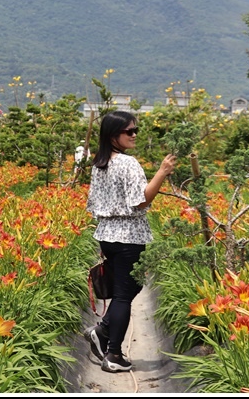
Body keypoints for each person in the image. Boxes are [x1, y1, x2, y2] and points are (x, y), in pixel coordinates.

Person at [83, 110, 176, 373]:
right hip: (128, 237)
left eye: (136, 130)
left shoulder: (100, 163)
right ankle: (113, 355)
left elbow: (96, 203)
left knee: (131, 286)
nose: (134, 135)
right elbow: (141, 200)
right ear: (113, 135)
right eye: (129, 131)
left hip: (107, 235)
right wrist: (162, 172)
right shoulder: (128, 163)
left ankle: (101, 332)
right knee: (124, 295)